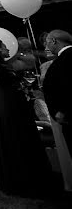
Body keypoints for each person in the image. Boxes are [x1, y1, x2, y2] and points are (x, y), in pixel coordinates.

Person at [0, 39, 54, 197]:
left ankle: (33, 175)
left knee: (25, 135)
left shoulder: (10, 63)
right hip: (7, 104)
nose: (7, 48)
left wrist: (18, 53)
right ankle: (17, 179)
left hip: (18, 103)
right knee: (13, 135)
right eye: (3, 47)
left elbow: (30, 63)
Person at [43, 30, 72, 191]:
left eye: (47, 42)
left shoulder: (62, 62)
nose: (46, 46)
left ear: (54, 41)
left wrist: (62, 111)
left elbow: (67, 87)